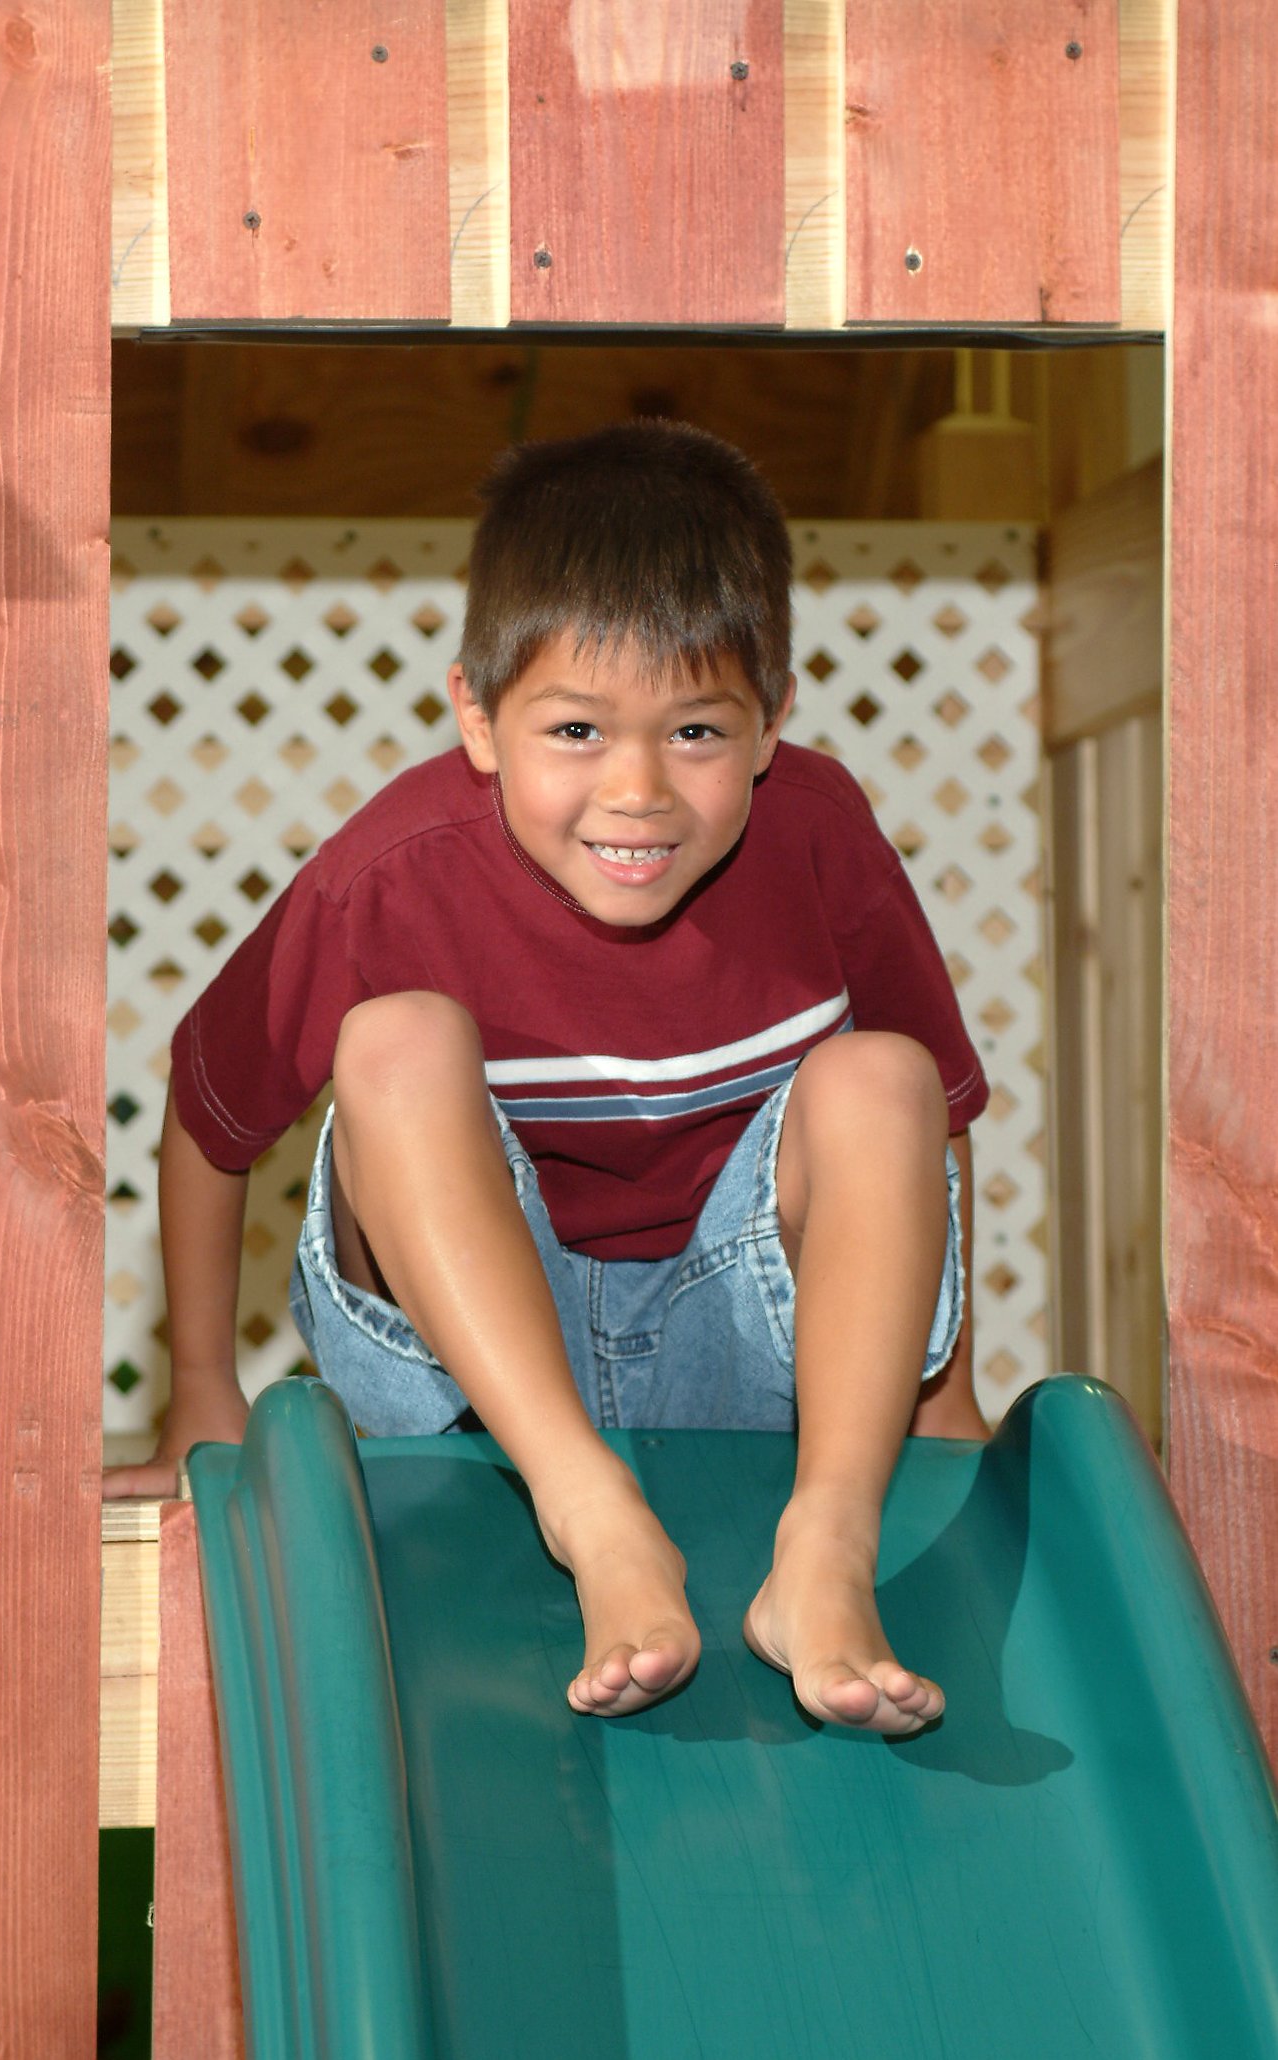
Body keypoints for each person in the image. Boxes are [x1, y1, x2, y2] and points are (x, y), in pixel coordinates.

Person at [103, 420, 991, 1733]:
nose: (636, 790)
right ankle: (596, 1518)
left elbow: (941, 1120)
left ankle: (827, 1549)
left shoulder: (820, 837)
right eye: (576, 729)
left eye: (695, 729)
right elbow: (209, 1110)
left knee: (883, 1077)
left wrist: (947, 1397)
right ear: (477, 714)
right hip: (472, 1372)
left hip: (742, 1348)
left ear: (771, 725)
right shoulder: (393, 873)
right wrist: (197, 1395)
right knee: (397, 1041)